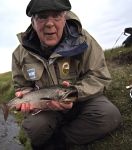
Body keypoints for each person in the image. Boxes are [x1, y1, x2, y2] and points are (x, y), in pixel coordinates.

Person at [11, 0, 121, 149]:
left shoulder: (84, 40)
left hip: (82, 101)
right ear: (33, 21)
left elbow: (99, 75)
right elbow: (21, 85)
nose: (50, 24)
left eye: (56, 16)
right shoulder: (20, 53)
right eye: (42, 17)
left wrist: (75, 92)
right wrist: (24, 95)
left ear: (65, 17)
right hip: (45, 108)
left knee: (109, 115)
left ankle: (61, 140)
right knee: (32, 131)